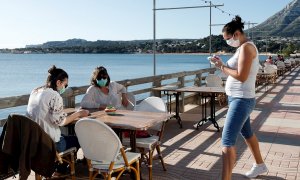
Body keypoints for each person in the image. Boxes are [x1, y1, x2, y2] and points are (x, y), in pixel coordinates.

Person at [210, 16, 268, 179]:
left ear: (236, 34)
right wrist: (221, 64)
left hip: (242, 100)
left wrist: (222, 67)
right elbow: (237, 70)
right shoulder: (242, 47)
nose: (227, 42)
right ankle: (260, 165)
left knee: (227, 141)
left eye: (227, 39)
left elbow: (242, 76)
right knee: (247, 133)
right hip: (237, 98)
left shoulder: (246, 48)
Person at [27, 65, 89, 153]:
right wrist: (78, 113)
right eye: (65, 85)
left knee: (64, 136)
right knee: (78, 140)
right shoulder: (54, 96)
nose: (65, 88)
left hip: (34, 141)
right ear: (58, 82)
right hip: (50, 143)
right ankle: (64, 165)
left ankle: (61, 164)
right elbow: (61, 122)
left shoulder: (35, 91)